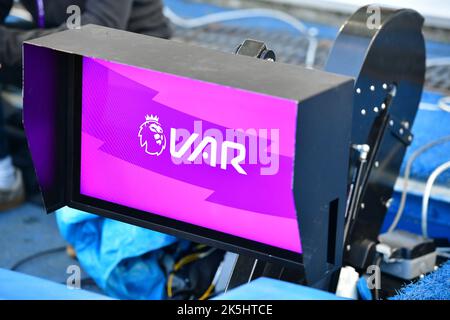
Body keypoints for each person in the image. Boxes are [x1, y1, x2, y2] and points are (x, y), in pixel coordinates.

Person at [0, 0, 172, 210]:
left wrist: (6, 45)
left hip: (130, 60)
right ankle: (5, 176)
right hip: (66, 50)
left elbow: (100, 33)